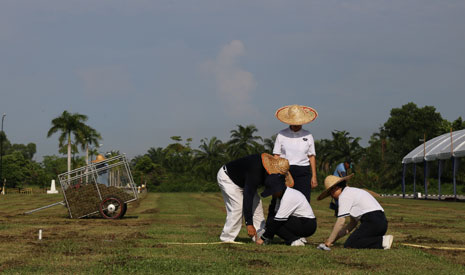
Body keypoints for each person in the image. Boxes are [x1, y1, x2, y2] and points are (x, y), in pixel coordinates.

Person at [217, 153, 293, 243]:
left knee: (257, 207)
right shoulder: (256, 171)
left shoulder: (269, 173)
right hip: (228, 178)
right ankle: (226, 239)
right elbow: (248, 195)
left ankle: (260, 237)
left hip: (244, 181)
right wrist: (249, 224)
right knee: (237, 207)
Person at [317, 174, 393, 250]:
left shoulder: (344, 196)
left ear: (336, 188)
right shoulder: (353, 191)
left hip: (372, 222)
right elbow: (352, 224)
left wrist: (329, 241)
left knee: (351, 243)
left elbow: (340, 221)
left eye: (331, 193)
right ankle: (380, 240)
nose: (332, 196)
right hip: (382, 223)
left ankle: (383, 241)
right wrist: (333, 240)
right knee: (353, 241)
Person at [256, 173, 317, 246]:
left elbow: (277, 221)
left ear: (279, 188)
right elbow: (273, 216)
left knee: (276, 223)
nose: (272, 194)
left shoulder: (288, 197)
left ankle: (294, 240)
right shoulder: (281, 195)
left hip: (308, 225)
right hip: (301, 221)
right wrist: (268, 234)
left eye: (273, 191)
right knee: (273, 221)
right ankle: (295, 239)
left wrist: (263, 238)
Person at [273, 104, 318, 202]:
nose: (296, 124)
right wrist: (276, 174)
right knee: (285, 200)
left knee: (304, 200)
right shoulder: (281, 134)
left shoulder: (308, 135)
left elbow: (311, 157)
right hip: (285, 171)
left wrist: (314, 176)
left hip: (304, 171)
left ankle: (302, 218)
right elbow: (276, 155)